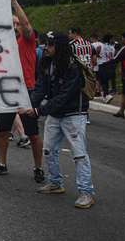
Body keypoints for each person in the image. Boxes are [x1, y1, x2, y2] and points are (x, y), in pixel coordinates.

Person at [23, 32, 95, 209]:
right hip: (55, 114)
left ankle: (87, 192)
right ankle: (55, 183)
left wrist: (38, 110)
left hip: (74, 114)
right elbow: (40, 88)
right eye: (46, 43)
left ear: (60, 46)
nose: (46, 47)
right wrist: (28, 106)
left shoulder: (73, 68)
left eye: (50, 44)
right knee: (48, 150)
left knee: (79, 154)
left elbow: (64, 96)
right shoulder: (47, 63)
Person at [0, 0, 44, 183]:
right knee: (2, 131)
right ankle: (1, 164)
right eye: (12, 23)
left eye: (17, 23)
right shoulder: (2, 44)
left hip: (26, 91)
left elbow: (26, 25)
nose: (15, 26)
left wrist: (14, 2)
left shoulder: (27, 40)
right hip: (6, 91)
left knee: (33, 134)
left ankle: (38, 168)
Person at [97, 34, 116, 99]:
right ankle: (106, 94)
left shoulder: (100, 46)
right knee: (106, 80)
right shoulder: (112, 47)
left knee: (103, 81)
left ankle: (105, 95)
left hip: (102, 64)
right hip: (110, 64)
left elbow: (97, 53)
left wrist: (99, 56)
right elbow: (113, 56)